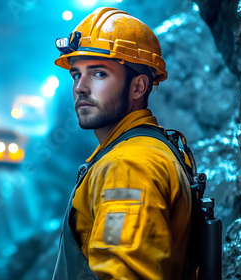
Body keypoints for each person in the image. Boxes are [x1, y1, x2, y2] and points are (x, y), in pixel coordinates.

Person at [52, 7, 192, 280]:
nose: (80, 87)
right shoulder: (152, 147)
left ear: (138, 87)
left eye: (99, 74)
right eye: (76, 74)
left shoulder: (128, 167)